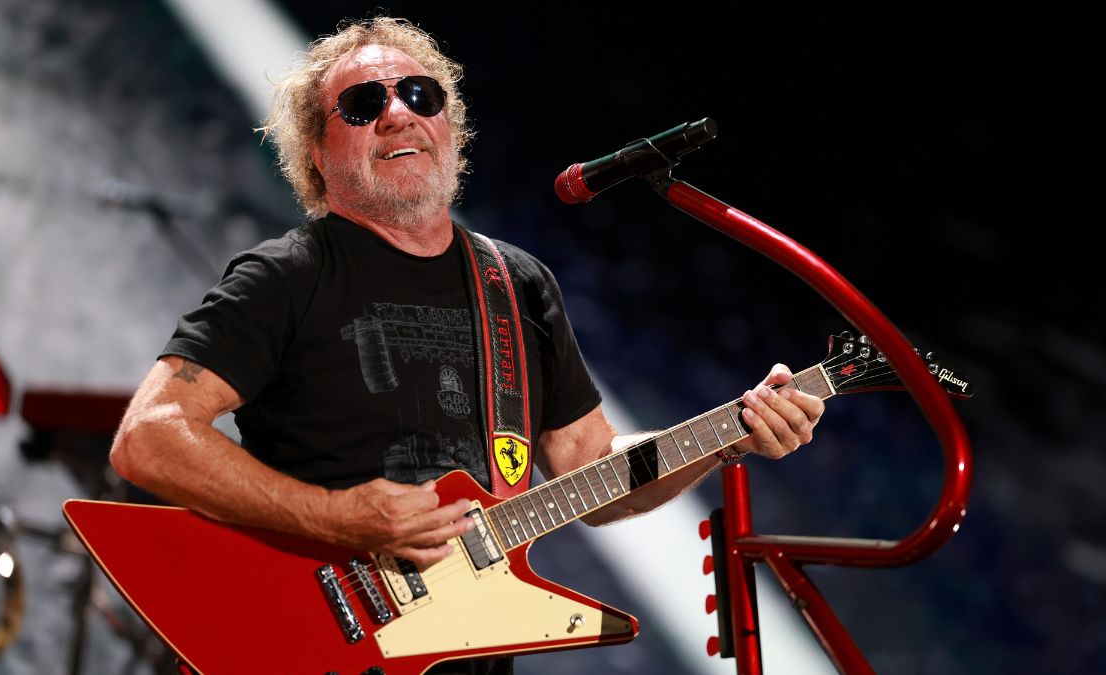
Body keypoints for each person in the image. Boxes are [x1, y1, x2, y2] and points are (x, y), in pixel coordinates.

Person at [109, 16, 824, 675]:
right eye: (362, 104)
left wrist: (730, 434)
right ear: (318, 157)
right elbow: (149, 435)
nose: (398, 112)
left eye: (419, 94)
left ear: (450, 127)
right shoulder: (289, 274)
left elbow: (589, 468)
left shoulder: (515, 285)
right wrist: (335, 517)